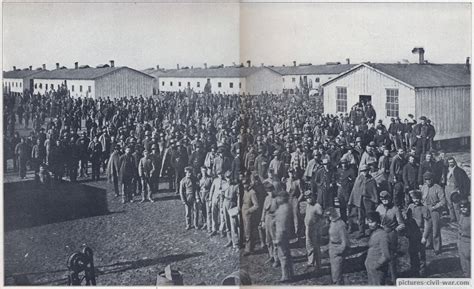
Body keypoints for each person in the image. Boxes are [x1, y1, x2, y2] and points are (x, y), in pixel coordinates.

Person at [376, 191, 405, 284]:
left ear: (390, 198)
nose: (385, 201)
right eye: (382, 199)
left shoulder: (395, 209)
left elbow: (401, 224)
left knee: (391, 258)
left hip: (391, 235)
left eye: (386, 199)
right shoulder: (379, 208)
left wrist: (394, 231)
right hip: (381, 234)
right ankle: (382, 277)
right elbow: (375, 220)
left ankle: (394, 278)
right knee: (381, 256)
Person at [405, 190, 431, 277]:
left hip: (420, 233)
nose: (416, 200)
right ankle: (414, 270)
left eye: (417, 199)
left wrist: (425, 236)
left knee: (421, 254)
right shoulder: (410, 207)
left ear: (420, 199)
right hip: (412, 233)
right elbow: (407, 220)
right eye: (414, 198)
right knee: (412, 252)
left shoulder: (424, 209)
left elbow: (428, 224)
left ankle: (422, 271)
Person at [348, 164, 378, 239]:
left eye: (366, 171)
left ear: (368, 171)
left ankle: (372, 231)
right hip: (359, 200)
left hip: (368, 201)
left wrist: (375, 201)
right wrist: (351, 200)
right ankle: (361, 232)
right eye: (363, 171)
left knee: (370, 216)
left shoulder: (372, 180)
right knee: (361, 217)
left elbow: (374, 191)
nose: (364, 172)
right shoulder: (359, 178)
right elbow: (355, 190)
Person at [420, 171, 446, 254]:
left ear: (432, 179)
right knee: (426, 228)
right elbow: (421, 198)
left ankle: (437, 248)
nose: (428, 181)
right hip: (425, 209)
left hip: (435, 211)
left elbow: (443, 201)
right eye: (426, 179)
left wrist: (434, 207)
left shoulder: (437, 187)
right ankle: (429, 244)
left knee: (435, 230)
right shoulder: (423, 187)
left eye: (429, 179)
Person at [364, 211, 391, 285]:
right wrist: (367, 263)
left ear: (378, 222)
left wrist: (376, 265)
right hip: (370, 268)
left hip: (378, 270)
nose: (370, 224)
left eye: (372, 222)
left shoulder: (383, 235)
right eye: (368, 222)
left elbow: (386, 256)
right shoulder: (374, 232)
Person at [274, 191, 294, 282]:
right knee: (286, 254)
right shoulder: (287, 206)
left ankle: (286, 276)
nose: (277, 199)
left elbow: (282, 225)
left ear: (282, 198)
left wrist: (278, 239)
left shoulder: (283, 209)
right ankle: (290, 274)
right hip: (285, 234)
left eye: (278, 197)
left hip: (281, 234)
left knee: (283, 256)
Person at [326, 207, 349, 285]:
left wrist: (338, 252)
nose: (329, 217)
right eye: (328, 215)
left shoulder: (341, 225)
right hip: (332, 249)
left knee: (337, 275)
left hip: (337, 251)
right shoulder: (332, 223)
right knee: (334, 274)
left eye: (330, 215)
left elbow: (345, 243)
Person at [445, 157, 471, 223]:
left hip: (455, 189)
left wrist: (461, 191)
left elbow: (466, 182)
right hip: (447, 188)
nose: (451, 163)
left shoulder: (459, 171)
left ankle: (460, 221)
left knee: (456, 206)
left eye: (452, 162)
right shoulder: (446, 169)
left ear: (454, 162)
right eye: (449, 162)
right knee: (449, 205)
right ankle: (453, 219)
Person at [304, 190, 323, 269]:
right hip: (308, 227)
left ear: (313, 197)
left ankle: (318, 264)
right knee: (309, 245)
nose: (309, 199)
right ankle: (310, 261)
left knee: (316, 246)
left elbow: (321, 217)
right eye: (307, 198)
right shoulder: (308, 205)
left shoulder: (317, 206)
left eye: (310, 197)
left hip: (315, 228)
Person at [242, 178, 260, 255]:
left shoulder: (252, 193)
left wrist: (249, 211)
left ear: (249, 184)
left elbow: (256, 205)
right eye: (243, 184)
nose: (244, 185)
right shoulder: (245, 191)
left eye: (246, 183)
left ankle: (248, 249)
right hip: (244, 213)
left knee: (248, 232)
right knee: (246, 231)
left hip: (249, 215)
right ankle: (250, 247)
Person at [222, 171, 239, 249]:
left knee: (233, 224)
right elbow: (222, 196)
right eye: (227, 177)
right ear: (225, 177)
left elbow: (238, 197)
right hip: (225, 202)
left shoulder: (235, 186)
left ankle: (236, 243)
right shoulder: (224, 185)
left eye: (230, 177)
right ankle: (229, 240)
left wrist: (238, 207)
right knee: (226, 222)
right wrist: (222, 207)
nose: (229, 179)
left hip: (232, 204)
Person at [458, 198, 471, 277]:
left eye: (465, 207)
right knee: (463, 259)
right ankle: (466, 274)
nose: (463, 209)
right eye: (461, 207)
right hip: (462, 240)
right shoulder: (461, 215)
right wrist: (458, 240)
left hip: (469, 241)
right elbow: (459, 228)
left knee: (469, 259)